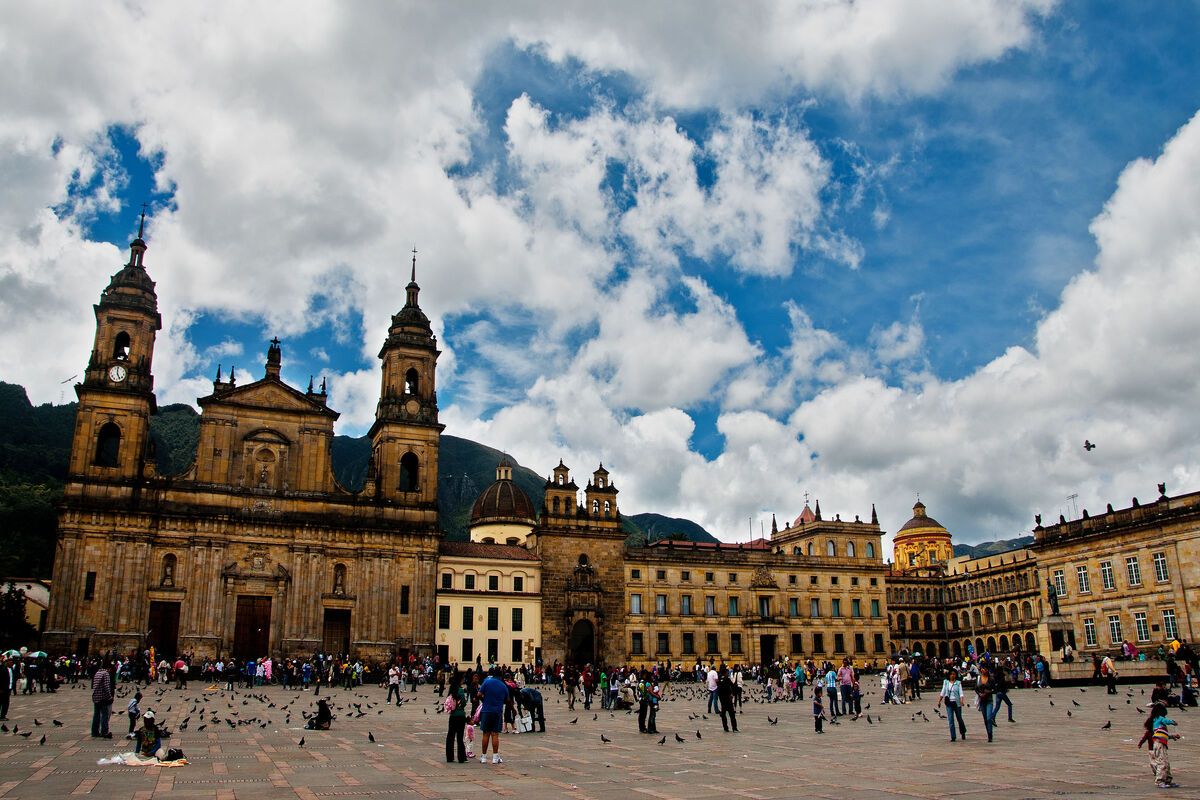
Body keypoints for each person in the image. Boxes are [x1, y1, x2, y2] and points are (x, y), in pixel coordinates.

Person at [1138, 701, 1180, 789]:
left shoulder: (1157, 723)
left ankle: (1167, 780)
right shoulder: (1159, 718)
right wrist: (1173, 722)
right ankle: (1160, 781)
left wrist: (1172, 736)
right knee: (1162, 763)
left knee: (1166, 763)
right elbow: (1166, 721)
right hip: (1159, 744)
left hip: (1160, 743)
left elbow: (1163, 734)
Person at [478, 668, 508, 764]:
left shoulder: (487, 682)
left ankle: (483, 757)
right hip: (497, 711)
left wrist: (484, 700)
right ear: (501, 675)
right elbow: (507, 699)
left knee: (486, 734)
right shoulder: (503, 685)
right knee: (495, 734)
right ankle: (495, 757)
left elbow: (479, 694)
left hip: (486, 710)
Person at [937, 667, 967, 742]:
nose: (952, 676)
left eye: (954, 674)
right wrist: (939, 701)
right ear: (949, 675)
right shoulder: (946, 682)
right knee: (951, 720)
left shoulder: (958, 683)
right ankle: (953, 736)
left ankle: (963, 732)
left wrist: (961, 701)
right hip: (949, 703)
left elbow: (961, 693)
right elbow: (943, 691)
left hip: (957, 703)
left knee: (959, 718)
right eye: (951, 674)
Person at [444, 678, 468, 763]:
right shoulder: (460, 690)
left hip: (453, 716)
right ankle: (461, 757)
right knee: (460, 737)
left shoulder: (451, 691)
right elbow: (464, 703)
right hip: (460, 715)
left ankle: (449, 757)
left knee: (450, 736)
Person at [91, 660, 114, 738]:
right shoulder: (105, 674)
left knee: (96, 715)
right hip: (103, 697)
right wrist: (109, 697)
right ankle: (105, 732)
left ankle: (94, 732)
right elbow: (106, 687)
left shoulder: (97, 673)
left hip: (95, 696)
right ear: (108, 667)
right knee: (105, 715)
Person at [975, 665, 995, 743]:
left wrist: (988, 692)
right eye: (982, 668)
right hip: (982, 701)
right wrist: (979, 694)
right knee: (985, 719)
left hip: (989, 700)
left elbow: (994, 689)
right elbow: (976, 688)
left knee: (988, 717)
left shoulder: (991, 679)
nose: (983, 670)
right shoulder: (978, 678)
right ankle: (988, 733)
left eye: (985, 668)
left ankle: (990, 734)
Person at [716, 668, 738, 732]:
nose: (728, 674)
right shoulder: (727, 679)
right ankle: (734, 728)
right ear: (725, 673)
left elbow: (718, 691)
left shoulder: (719, 680)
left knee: (723, 714)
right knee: (732, 714)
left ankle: (725, 728)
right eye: (727, 672)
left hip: (722, 700)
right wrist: (732, 694)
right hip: (728, 699)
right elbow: (732, 686)